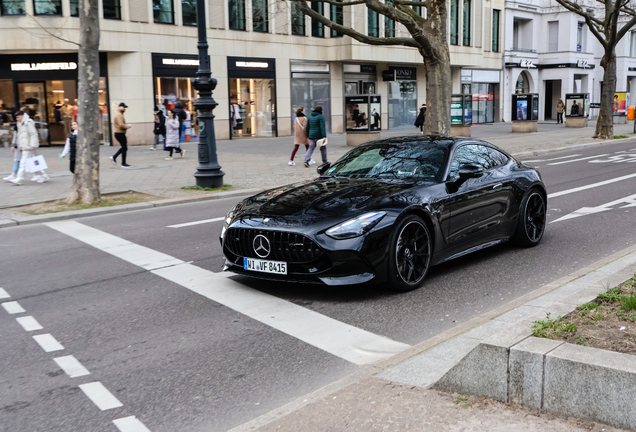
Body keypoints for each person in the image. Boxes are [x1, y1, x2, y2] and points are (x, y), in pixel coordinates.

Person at [10, 110, 49, 185]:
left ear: (22, 116)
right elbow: (20, 137)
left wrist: (32, 145)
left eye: (18, 117)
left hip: (28, 146)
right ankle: (44, 175)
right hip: (26, 146)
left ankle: (19, 178)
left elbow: (33, 134)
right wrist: (20, 147)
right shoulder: (20, 123)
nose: (17, 119)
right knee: (34, 162)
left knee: (23, 163)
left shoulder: (28, 122)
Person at [110, 102, 133, 167]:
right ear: (119, 107)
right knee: (124, 148)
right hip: (120, 133)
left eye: (125, 107)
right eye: (123, 107)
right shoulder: (119, 115)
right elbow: (121, 125)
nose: (124, 108)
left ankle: (115, 158)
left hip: (119, 133)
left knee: (124, 148)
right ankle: (122, 162)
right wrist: (128, 126)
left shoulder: (119, 114)